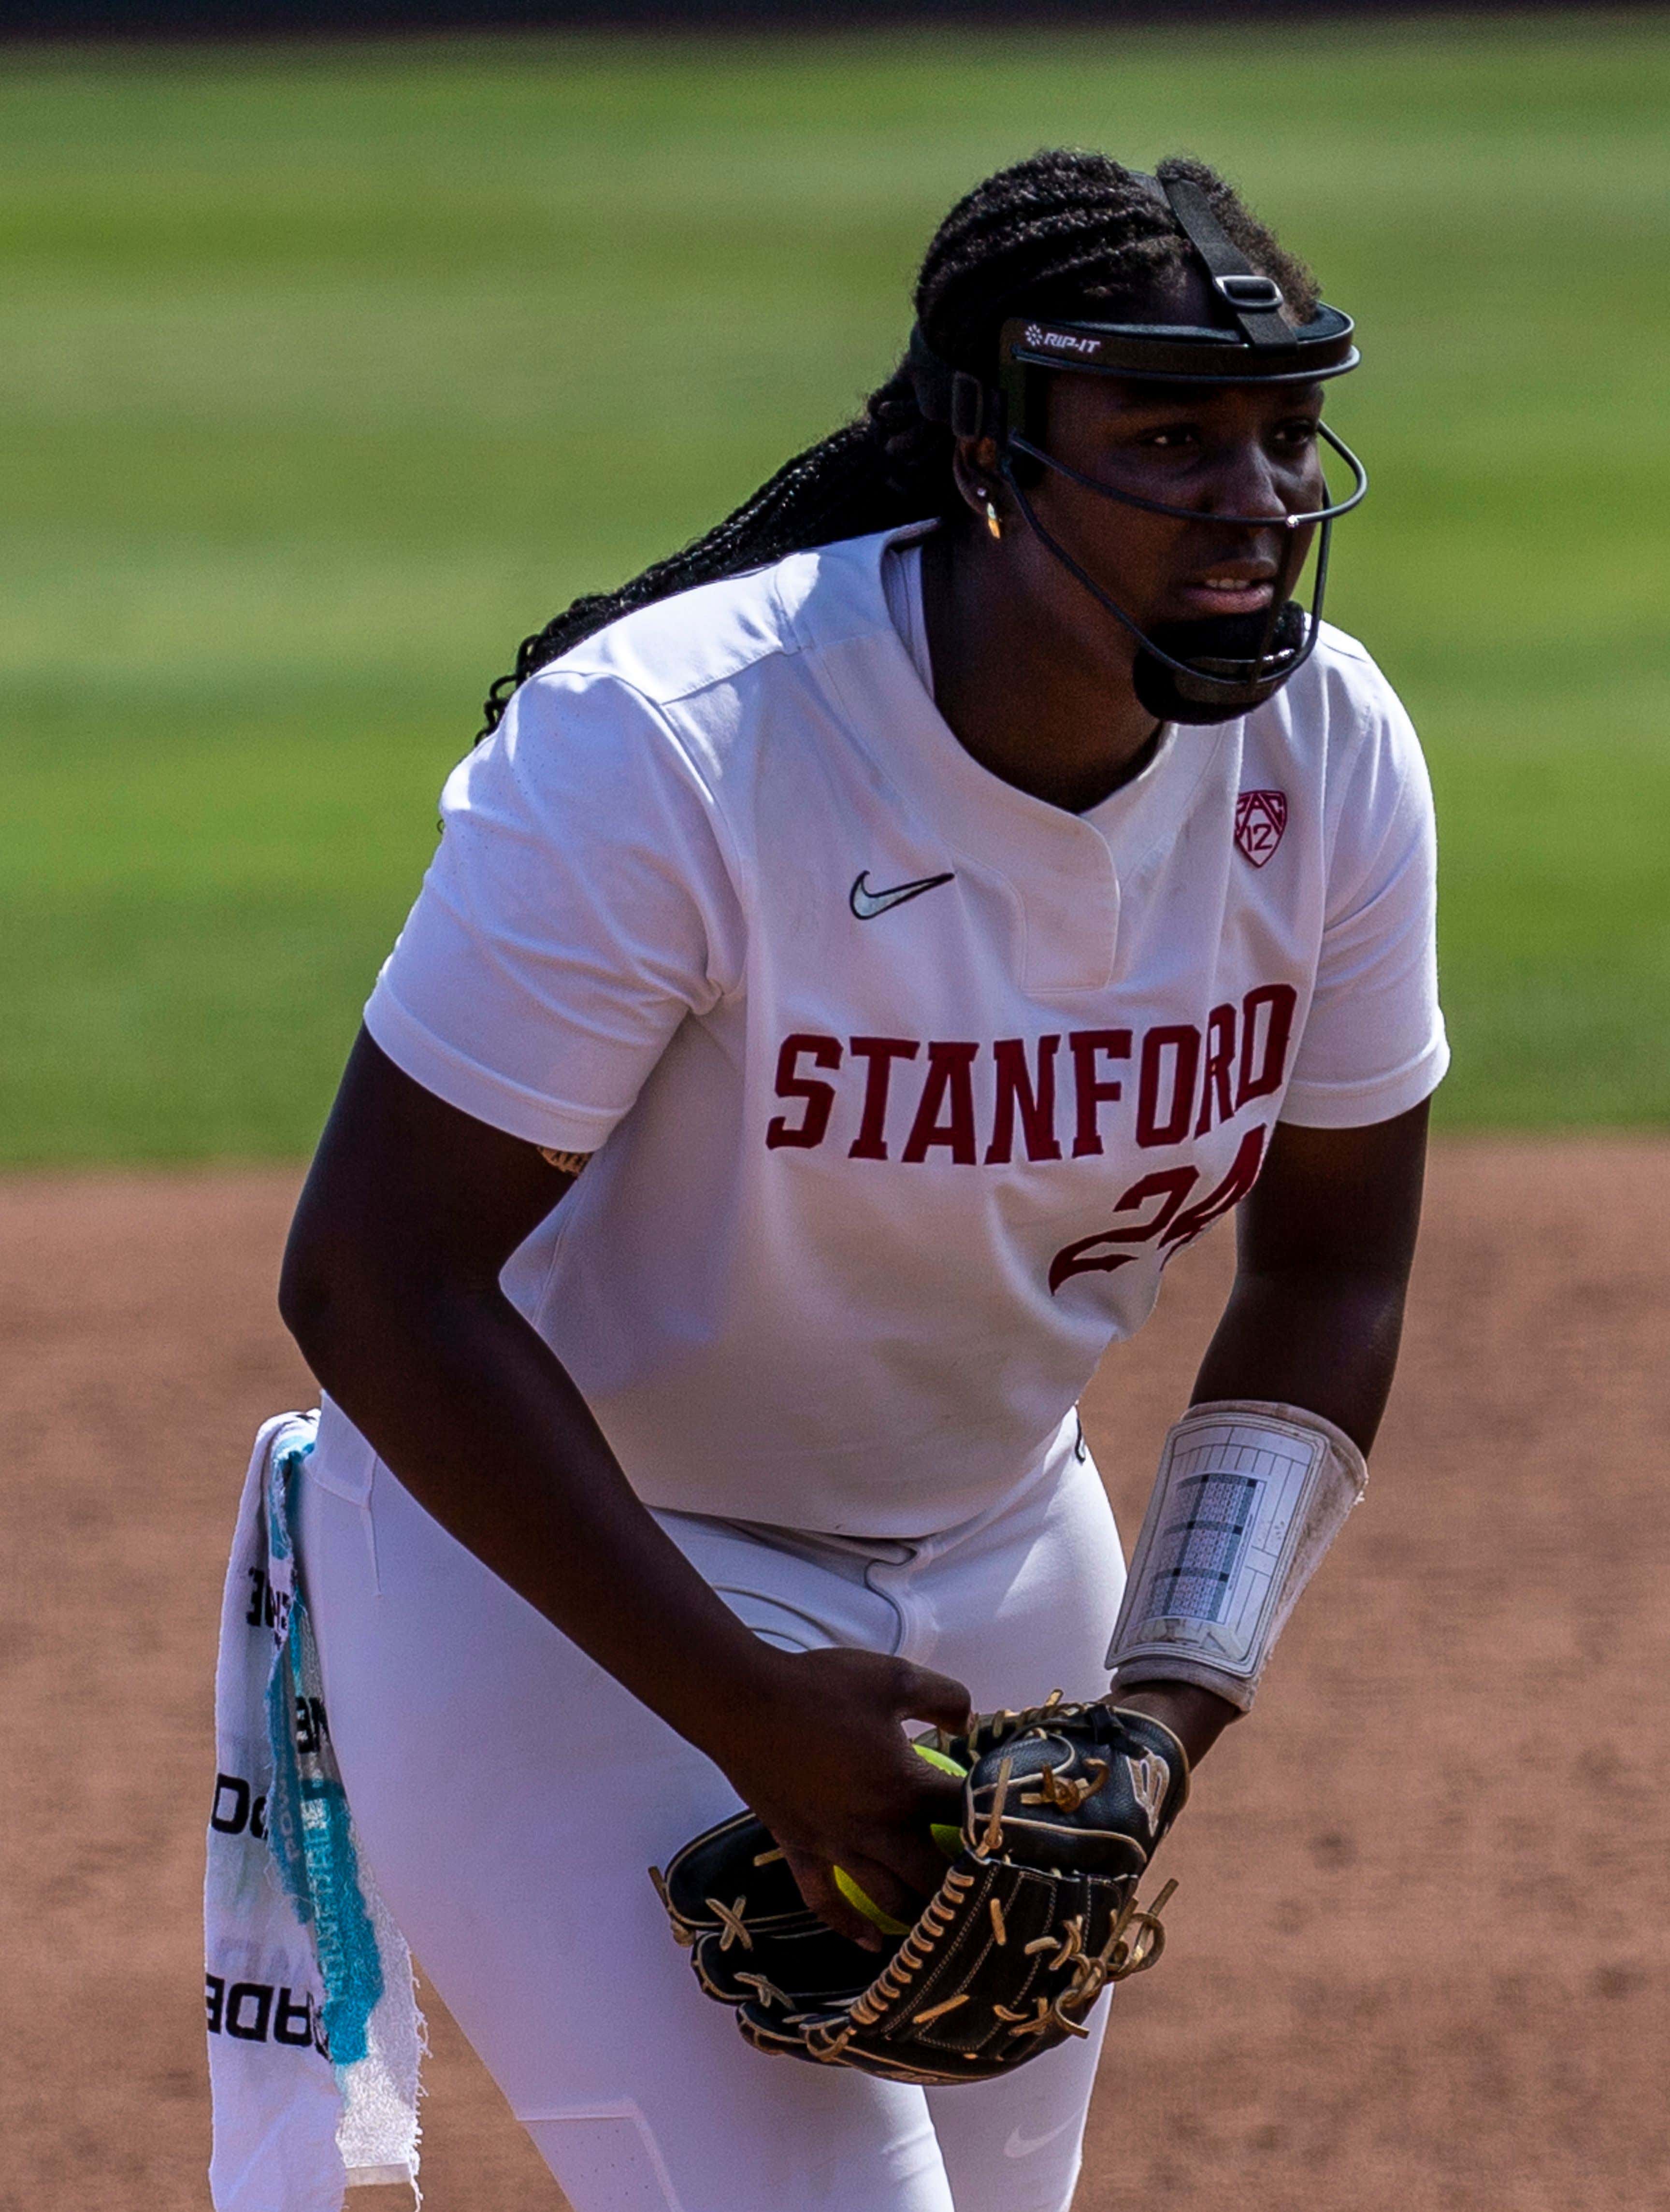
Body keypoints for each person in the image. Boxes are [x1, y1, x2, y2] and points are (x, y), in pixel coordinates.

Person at [275, 148, 1446, 2212]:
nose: (1253, 500)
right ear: (990, 459)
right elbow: (376, 1277)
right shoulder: (674, 745)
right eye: (1167, 438)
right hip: (565, 1583)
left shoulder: (1327, 758)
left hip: (1010, 1566)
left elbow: (1332, 1264)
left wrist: (1162, 1710)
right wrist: (736, 1696)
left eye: (1277, 435)